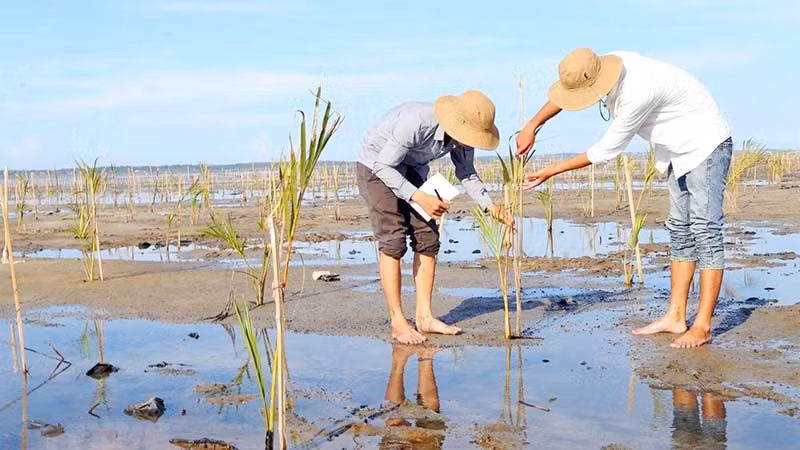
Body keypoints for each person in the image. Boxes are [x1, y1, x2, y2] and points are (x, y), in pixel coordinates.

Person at [516, 48, 732, 349]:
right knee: (680, 231)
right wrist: (532, 125)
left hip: (705, 144)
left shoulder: (636, 93)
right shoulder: (598, 64)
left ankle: (703, 325)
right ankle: (675, 316)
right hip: (676, 149)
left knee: (705, 230)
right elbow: (566, 92)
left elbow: (605, 150)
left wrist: (551, 171)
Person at [358, 91, 511, 345]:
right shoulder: (416, 122)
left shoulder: (464, 138)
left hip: (412, 169)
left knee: (428, 237)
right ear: (457, 123)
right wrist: (420, 197)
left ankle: (425, 317)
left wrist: (492, 207)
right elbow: (384, 166)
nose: (470, 143)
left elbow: (466, 172)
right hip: (376, 166)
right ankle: (398, 321)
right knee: (393, 240)